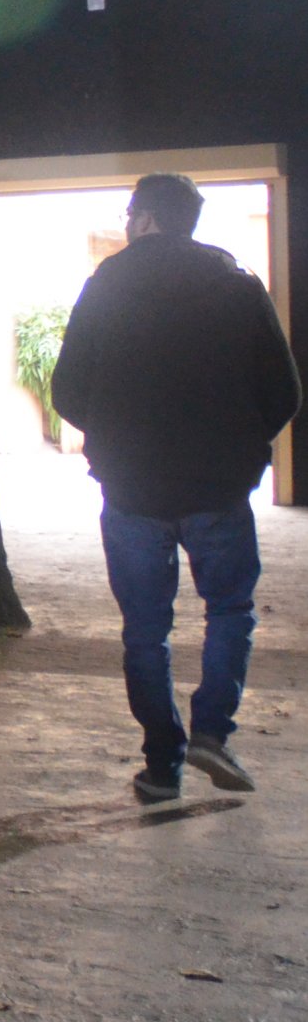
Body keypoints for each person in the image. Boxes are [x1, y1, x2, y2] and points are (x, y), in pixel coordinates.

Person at [46, 172, 301, 805]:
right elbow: (284, 391)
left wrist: (113, 440)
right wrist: (241, 449)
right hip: (218, 487)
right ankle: (212, 732)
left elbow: (68, 389)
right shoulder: (237, 283)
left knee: (145, 629)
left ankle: (163, 764)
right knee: (230, 611)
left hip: (132, 490)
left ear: (146, 217)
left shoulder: (106, 284)